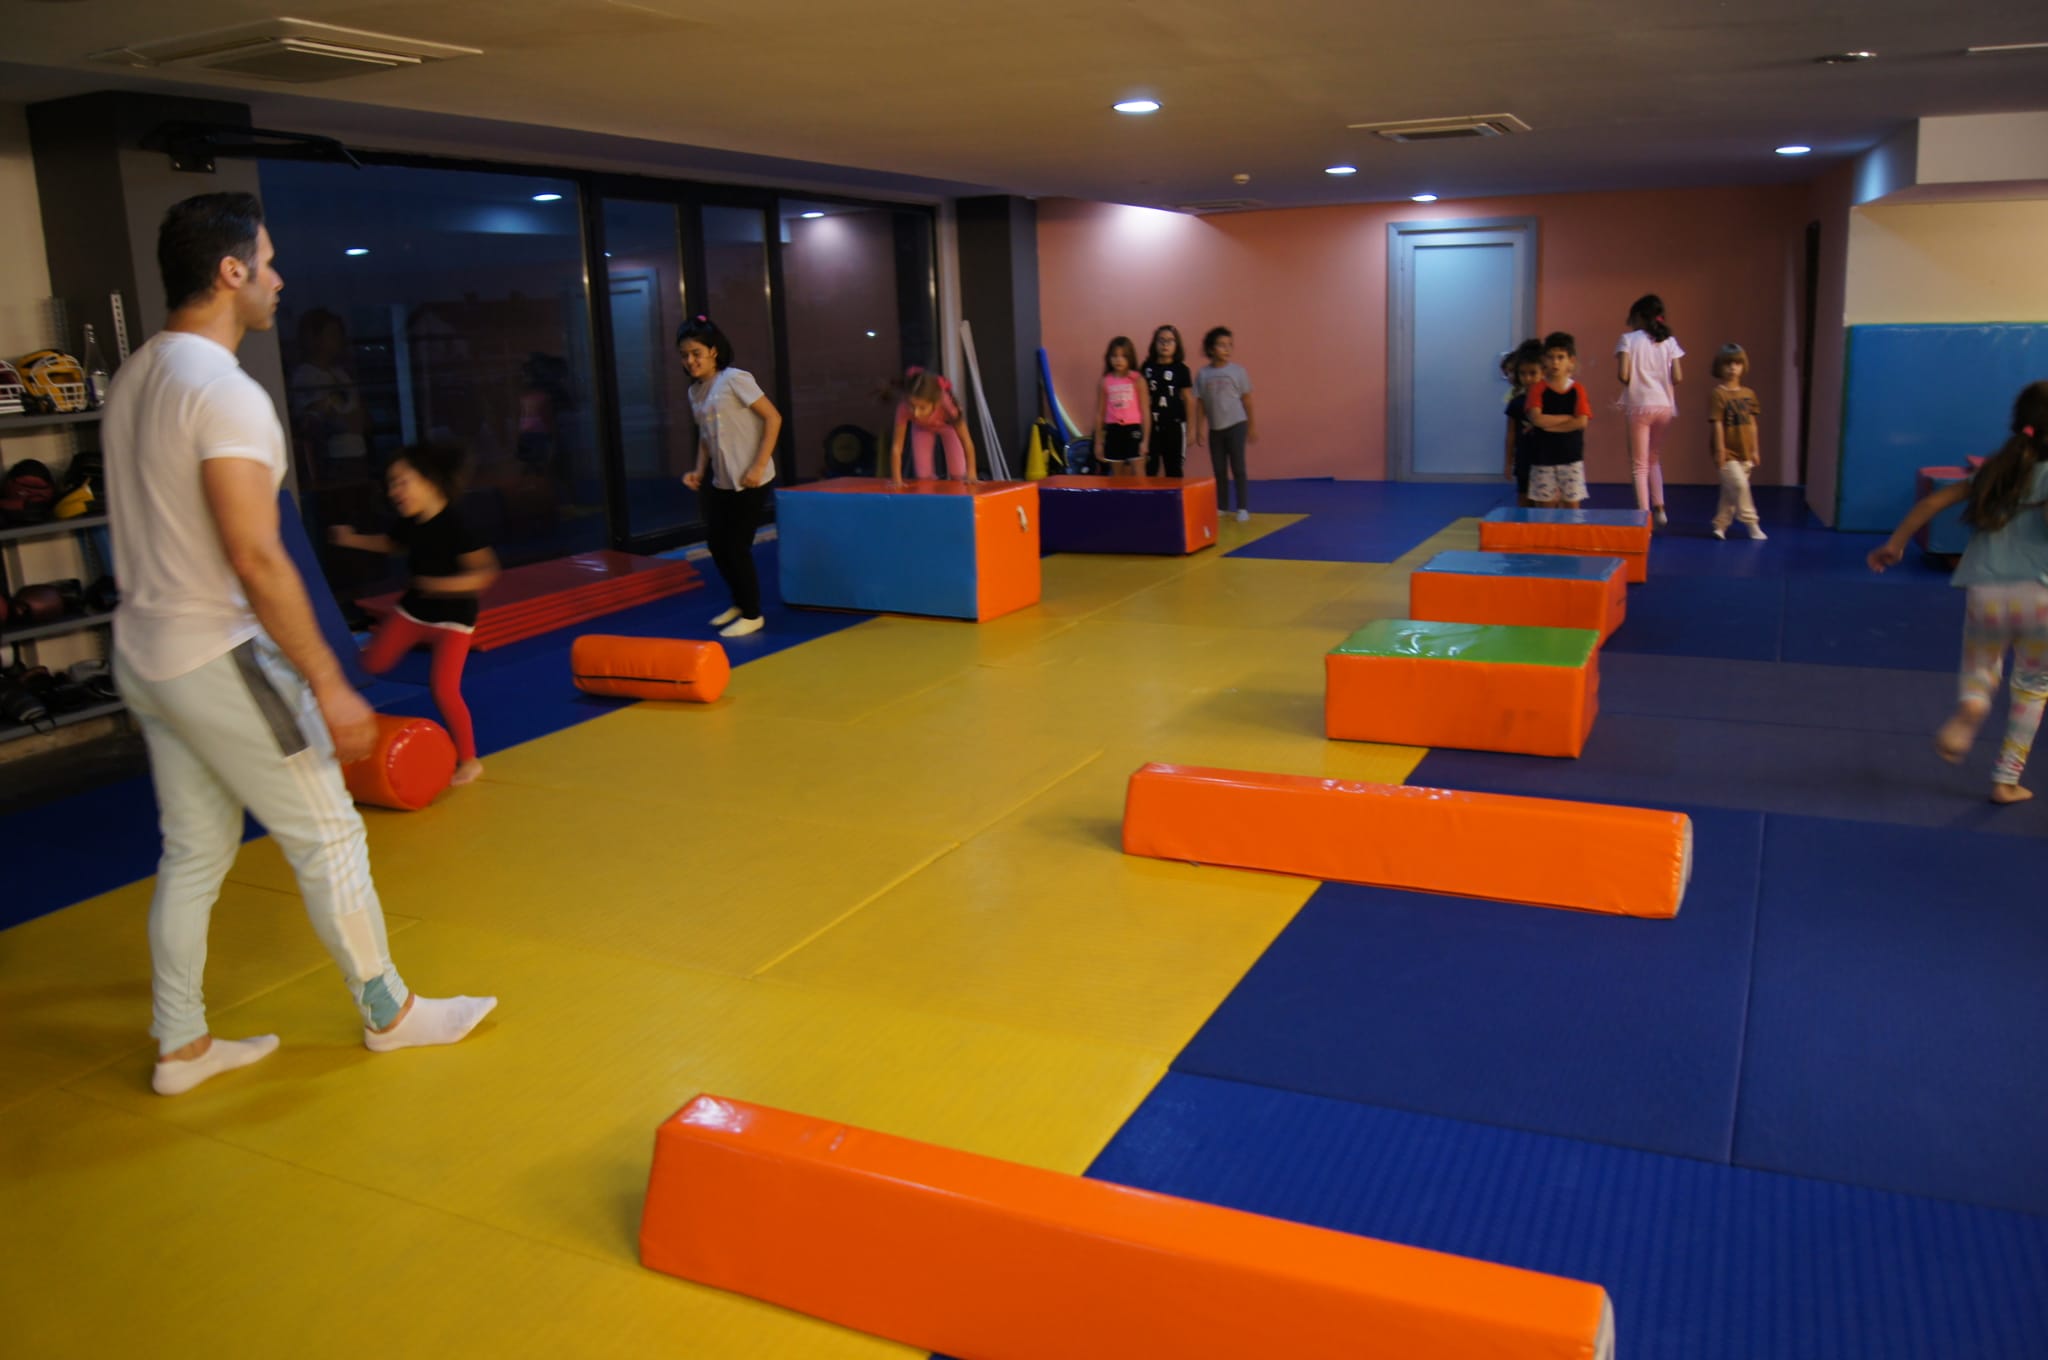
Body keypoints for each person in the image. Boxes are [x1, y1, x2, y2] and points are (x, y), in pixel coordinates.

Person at [102, 192, 495, 1096]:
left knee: (193, 852)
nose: (278, 279)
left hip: (146, 655)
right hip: (216, 655)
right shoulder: (223, 391)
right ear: (231, 271)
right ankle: (390, 1013)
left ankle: (181, 1044)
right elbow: (255, 554)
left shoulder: (136, 377)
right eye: (268, 261)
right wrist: (330, 682)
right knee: (330, 834)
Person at [1868, 381, 2048, 806]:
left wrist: (1895, 544)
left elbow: (1931, 504)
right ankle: (2005, 780)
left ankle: (1972, 705)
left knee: (1982, 665)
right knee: (2033, 685)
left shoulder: (1997, 470)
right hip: (2040, 594)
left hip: (1986, 589)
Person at [330, 443, 499, 785]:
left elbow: (485, 573)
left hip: (454, 621)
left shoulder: (458, 524)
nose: (394, 491)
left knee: (444, 689)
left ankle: (469, 760)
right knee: (372, 663)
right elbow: (390, 543)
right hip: (415, 610)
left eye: (402, 482)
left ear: (430, 482)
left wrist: (440, 585)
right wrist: (351, 540)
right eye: (391, 484)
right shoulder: (411, 523)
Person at [680, 314, 781, 639]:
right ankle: (739, 602)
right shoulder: (695, 392)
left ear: (713, 351)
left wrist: (757, 465)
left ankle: (752, 614)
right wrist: (698, 470)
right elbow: (706, 436)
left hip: (752, 479)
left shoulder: (735, 379)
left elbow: (773, 418)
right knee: (717, 544)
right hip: (723, 481)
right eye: (685, 355)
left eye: (696, 353)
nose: (690, 361)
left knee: (736, 547)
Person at [1614, 293, 1683, 525]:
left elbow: (1623, 375)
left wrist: (1639, 377)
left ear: (1638, 317)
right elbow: (1678, 377)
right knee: (1654, 458)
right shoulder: (1669, 341)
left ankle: (1644, 516)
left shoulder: (1627, 340)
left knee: (1639, 464)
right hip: (1665, 406)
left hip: (1639, 405)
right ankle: (1660, 508)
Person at [1524, 331, 1591, 509]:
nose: (1555, 362)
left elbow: (1581, 422)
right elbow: (1537, 419)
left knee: (1572, 505)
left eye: (1560, 357)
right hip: (1543, 457)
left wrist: (1549, 425)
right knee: (1545, 506)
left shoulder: (1577, 389)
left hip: (1571, 456)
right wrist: (1567, 419)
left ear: (1571, 361)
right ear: (1543, 359)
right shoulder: (1537, 389)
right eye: (1550, 357)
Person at [1195, 326, 1256, 520]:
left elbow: (1247, 400)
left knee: (1238, 467)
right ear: (1211, 349)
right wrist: (1199, 428)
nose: (1227, 349)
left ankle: (1242, 507)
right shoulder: (1203, 374)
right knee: (1219, 469)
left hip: (1236, 424)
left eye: (1229, 345)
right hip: (1216, 429)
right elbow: (1201, 404)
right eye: (1221, 345)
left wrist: (1251, 426)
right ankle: (1222, 506)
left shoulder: (1238, 371)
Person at [1707, 344, 1766, 540]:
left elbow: (1752, 423)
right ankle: (1752, 523)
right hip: (1727, 452)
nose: (1733, 368)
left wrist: (1755, 449)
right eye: (1728, 364)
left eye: (1737, 363)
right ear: (1720, 367)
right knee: (1740, 486)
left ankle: (1720, 525)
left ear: (1743, 366)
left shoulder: (1749, 394)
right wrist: (1720, 450)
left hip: (1745, 451)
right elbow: (1717, 423)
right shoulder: (1718, 394)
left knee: (1730, 491)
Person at [888, 368, 976, 483]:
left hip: (948, 427)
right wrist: (897, 480)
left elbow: (967, 442)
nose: (916, 413)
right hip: (921, 428)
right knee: (923, 475)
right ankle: (928, 491)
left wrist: (971, 473)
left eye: (922, 408)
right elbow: (897, 447)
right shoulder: (904, 408)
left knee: (958, 472)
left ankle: (957, 486)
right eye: (912, 406)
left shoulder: (948, 407)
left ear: (936, 403)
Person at [1141, 325, 1197, 478]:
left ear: (1176, 345)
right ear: (1155, 343)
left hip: (1174, 426)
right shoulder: (1147, 367)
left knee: (1174, 470)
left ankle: (1174, 494)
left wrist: (1191, 430)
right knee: (1150, 469)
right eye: (1161, 340)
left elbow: (1188, 399)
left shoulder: (1181, 369)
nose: (1165, 344)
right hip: (1151, 427)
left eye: (1170, 341)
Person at [1094, 336, 1150, 477]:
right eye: (1115, 356)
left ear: (1130, 358)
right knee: (1116, 475)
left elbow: (1145, 412)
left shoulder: (1137, 379)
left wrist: (1145, 441)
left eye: (1123, 356)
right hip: (1114, 430)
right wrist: (1098, 442)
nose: (1118, 360)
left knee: (1138, 472)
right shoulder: (1105, 381)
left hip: (1133, 429)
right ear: (1109, 358)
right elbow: (1100, 414)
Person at [1501, 338, 1545, 507]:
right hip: (1524, 459)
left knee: (1545, 500)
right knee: (1524, 498)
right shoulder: (1516, 402)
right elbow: (1511, 433)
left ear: (1543, 372)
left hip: (1546, 459)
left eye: (1533, 373)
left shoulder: (1550, 400)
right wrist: (1508, 462)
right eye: (1523, 374)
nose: (1528, 378)